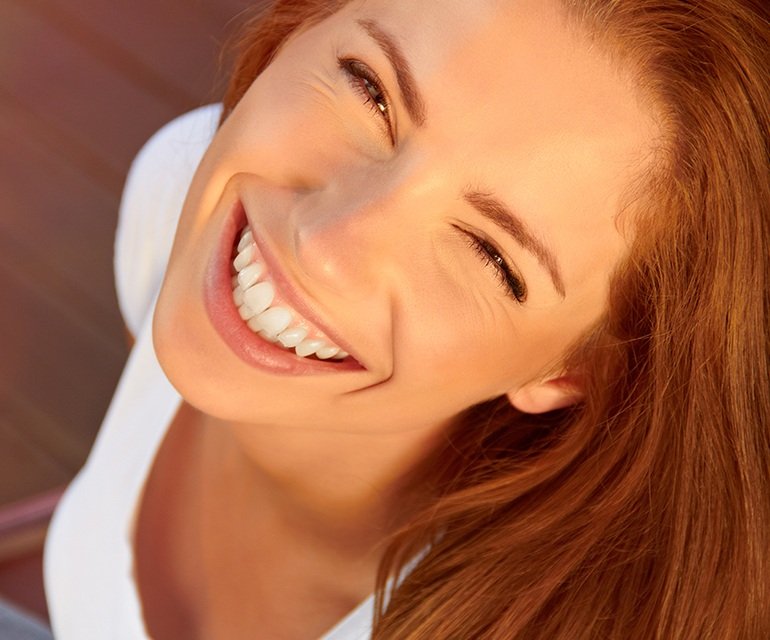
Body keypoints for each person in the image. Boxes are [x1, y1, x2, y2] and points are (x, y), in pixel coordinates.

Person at [44, 0, 770, 638]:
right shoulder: (178, 194)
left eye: (491, 256)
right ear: (302, 24)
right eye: (372, 91)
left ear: (571, 370)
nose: (326, 246)